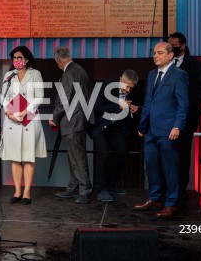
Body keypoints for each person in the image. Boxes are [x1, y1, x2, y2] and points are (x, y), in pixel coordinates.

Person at [135, 42, 189, 218]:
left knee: (170, 167)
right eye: (154, 53)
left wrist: (177, 126)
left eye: (159, 53)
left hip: (168, 131)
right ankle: (155, 198)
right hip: (151, 130)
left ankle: (172, 203)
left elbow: (183, 105)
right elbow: (149, 102)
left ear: (170, 55)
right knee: (151, 166)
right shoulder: (151, 75)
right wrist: (142, 126)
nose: (155, 56)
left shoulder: (179, 75)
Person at [0, 46, 47, 205]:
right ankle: (17, 191)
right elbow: (4, 97)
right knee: (15, 158)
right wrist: (10, 113)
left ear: (26, 59)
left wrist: (25, 112)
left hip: (29, 119)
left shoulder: (36, 74)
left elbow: (39, 97)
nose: (17, 61)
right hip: (12, 120)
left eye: (20, 58)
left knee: (28, 158)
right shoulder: (8, 74)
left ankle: (27, 193)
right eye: (14, 58)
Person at [49, 47, 93, 204]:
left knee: (77, 157)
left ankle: (84, 190)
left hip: (73, 120)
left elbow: (65, 97)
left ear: (58, 60)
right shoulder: (79, 70)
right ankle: (73, 187)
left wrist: (55, 116)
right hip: (79, 119)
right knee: (74, 156)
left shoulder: (68, 72)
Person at [88, 70, 139, 203]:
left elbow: (132, 106)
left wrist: (134, 109)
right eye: (126, 86)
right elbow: (97, 107)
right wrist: (119, 107)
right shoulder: (108, 84)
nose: (128, 90)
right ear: (120, 79)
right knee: (103, 153)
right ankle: (100, 189)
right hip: (99, 125)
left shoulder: (131, 91)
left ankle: (110, 185)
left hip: (116, 126)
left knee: (122, 153)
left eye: (131, 88)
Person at [168, 32, 201, 197]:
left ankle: (180, 190)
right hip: (167, 117)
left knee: (183, 153)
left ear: (183, 45)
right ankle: (168, 189)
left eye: (174, 45)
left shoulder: (196, 65)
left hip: (187, 117)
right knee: (167, 153)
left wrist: (183, 103)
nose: (172, 48)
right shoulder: (166, 63)